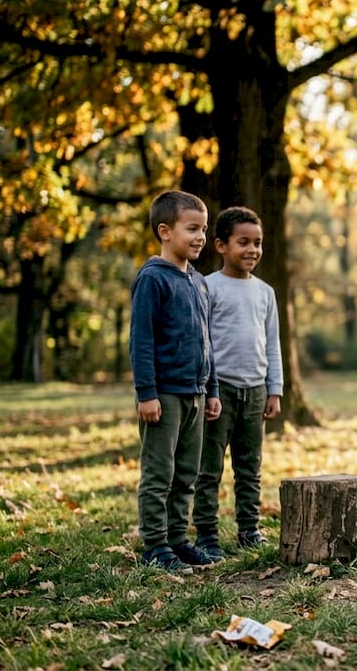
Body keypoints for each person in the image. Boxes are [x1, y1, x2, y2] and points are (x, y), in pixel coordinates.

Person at [129, 189, 222, 573]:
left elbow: (207, 340)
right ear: (165, 231)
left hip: (196, 393)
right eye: (192, 229)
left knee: (187, 474)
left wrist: (212, 389)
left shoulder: (199, 282)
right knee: (159, 473)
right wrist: (146, 394)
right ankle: (155, 545)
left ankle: (178, 540)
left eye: (203, 229)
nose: (200, 237)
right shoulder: (153, 279)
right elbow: (141, 340)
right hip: (164, 395)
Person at [192, 206, 283, 561]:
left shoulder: (265, 292)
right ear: (220, 245)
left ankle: (249, 528)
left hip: (255, 390)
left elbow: (272, 342)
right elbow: (203, 342)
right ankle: (208, 535)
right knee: (209, 468)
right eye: (243, 242)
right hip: (220, 391)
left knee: (250, 467)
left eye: (257, 243)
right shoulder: (207, 287)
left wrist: (274, 388)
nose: (252, 250)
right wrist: (208, 389)